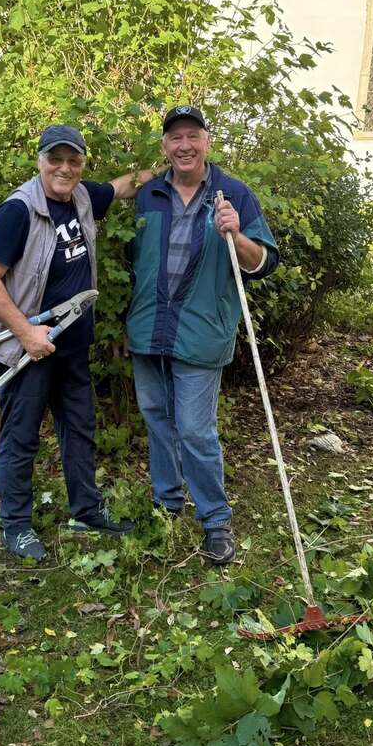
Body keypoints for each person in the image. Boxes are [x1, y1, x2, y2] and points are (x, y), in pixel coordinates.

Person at [0, 124, 153, 562]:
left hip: (72, 346)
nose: (65, 168)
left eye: (74, 160)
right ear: (40, 161)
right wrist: (26, 333)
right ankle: (16, 526)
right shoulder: (18, 211)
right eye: (56, 159)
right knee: (21, 438)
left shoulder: (83, 196)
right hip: (28, 350)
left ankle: (86, 511)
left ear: (82, 164)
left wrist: (170, 171)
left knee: (80, 430)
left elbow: (122, 186)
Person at [126, 105, 279, 564]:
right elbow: (131, 262)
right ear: (165, 147)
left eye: (193, 135)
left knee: (195, 430)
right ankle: (167, 506)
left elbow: (264, 263)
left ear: (207, 141)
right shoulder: (149, 195)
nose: (185, 145)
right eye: (176, 137)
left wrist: (238, 235)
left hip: (200, 332)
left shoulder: (233, 195)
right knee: (157, 420)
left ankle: (215, 520)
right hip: (148, 329)